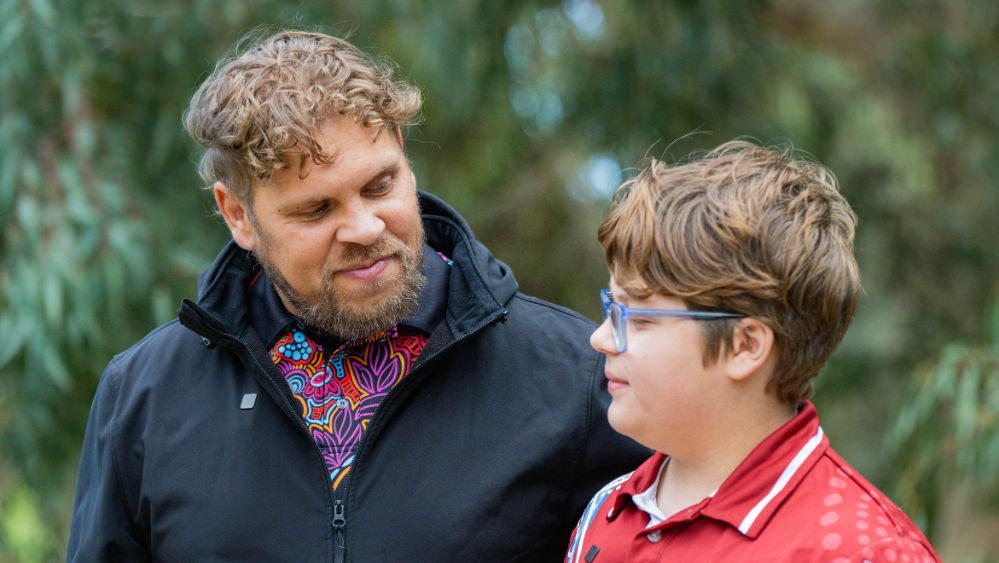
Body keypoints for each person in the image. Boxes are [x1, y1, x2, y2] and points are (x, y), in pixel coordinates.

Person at [67, 29, 648, 562]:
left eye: (381, 185)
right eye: (316, 209)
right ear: (238, 215)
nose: (366, 228)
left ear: (402, 150)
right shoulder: (140, 396)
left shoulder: (578, 376)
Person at [564, 141, 941, 562]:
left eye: (639, 318)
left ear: (746, 346)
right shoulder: (608, 511)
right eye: (610, 308)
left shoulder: (863, 551)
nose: (600, 339)